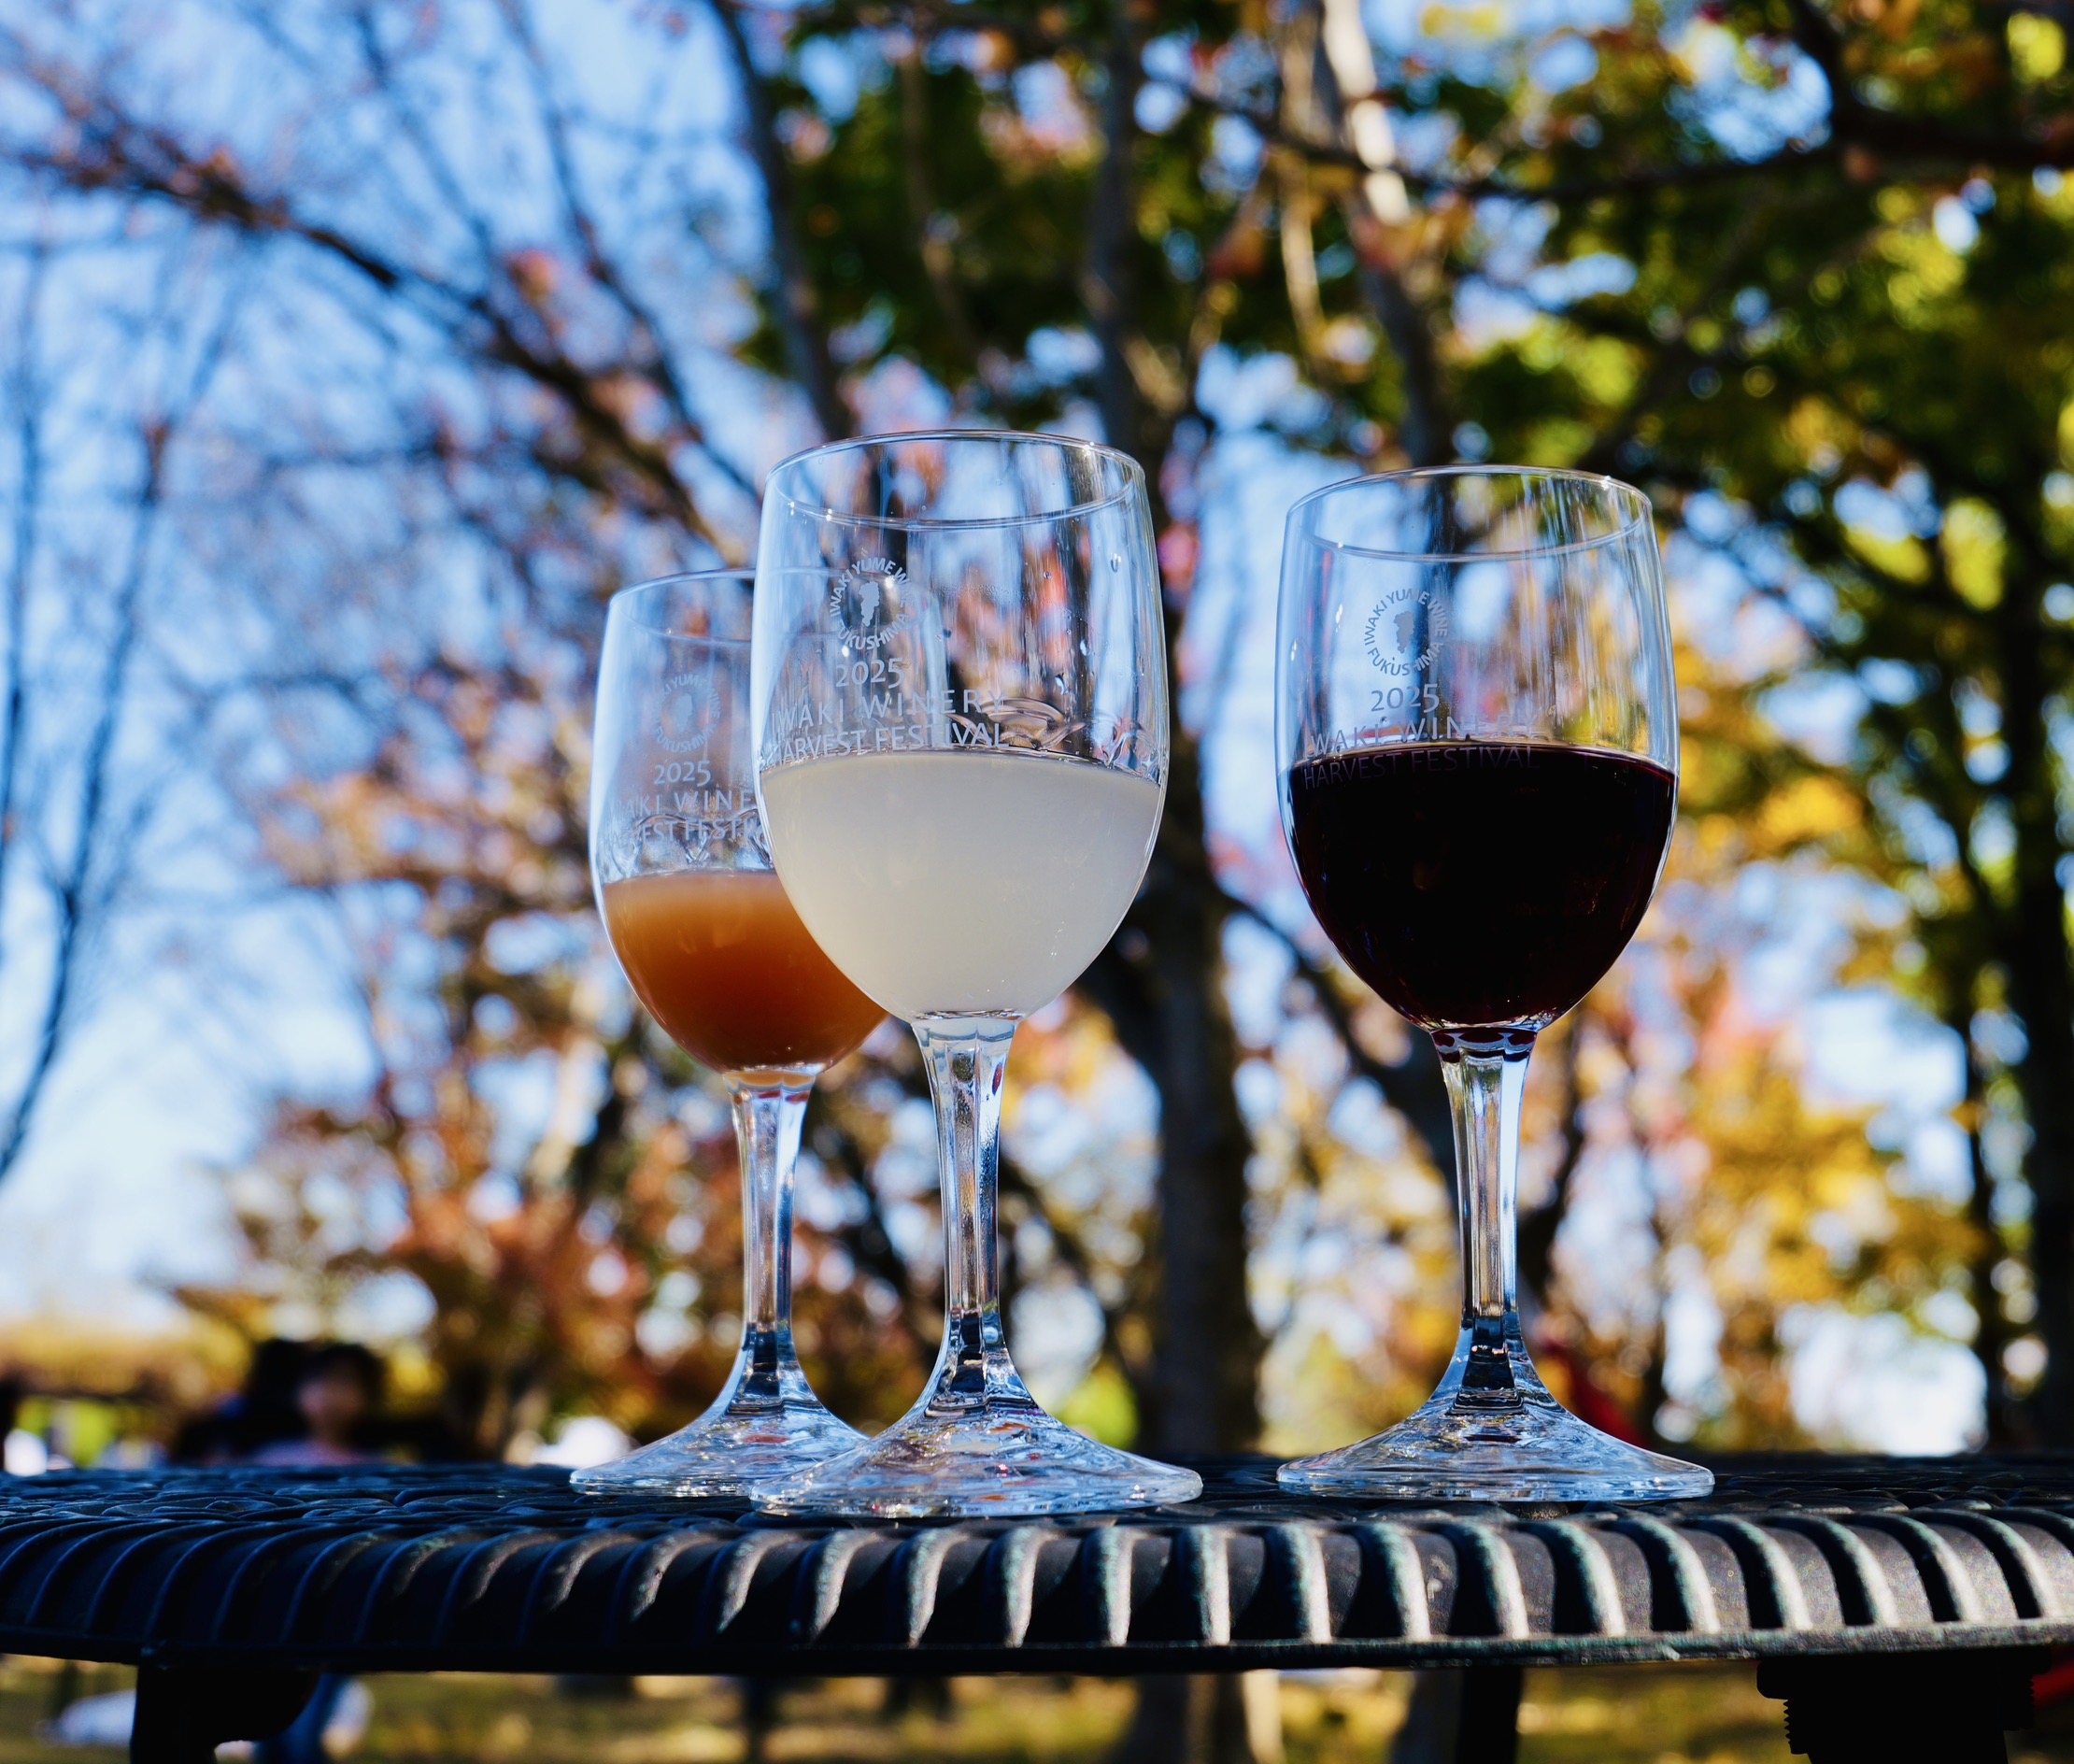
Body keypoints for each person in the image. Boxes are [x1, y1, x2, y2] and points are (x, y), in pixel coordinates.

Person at [247, 1344, 386, 1468]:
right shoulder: (270, 1460)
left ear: (369, 1394)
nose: (330, 1392)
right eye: (319, 1379)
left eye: (346, 1380)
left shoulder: (380, 1466)